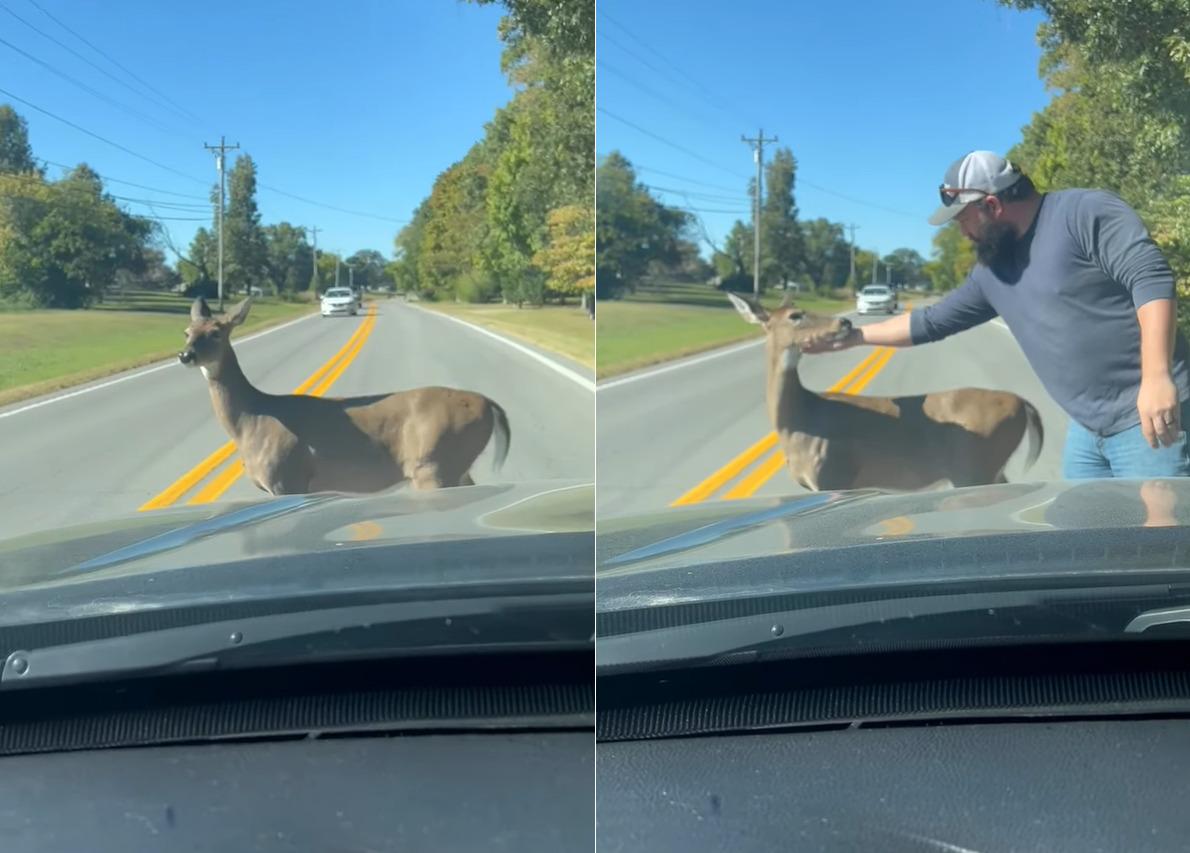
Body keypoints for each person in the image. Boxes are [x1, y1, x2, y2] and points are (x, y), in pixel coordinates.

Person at [800, 150, 1190, 479]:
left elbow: (1150, 278)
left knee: (1159, 551)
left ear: (992, 205)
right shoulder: (992, 271)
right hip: (1088, 433)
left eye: (963, 219)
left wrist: (1156, 379)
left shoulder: (1081, 212)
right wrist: (851, 339)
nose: (962, 232)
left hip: (1153, 420)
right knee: (1089, 549)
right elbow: (931, 322)